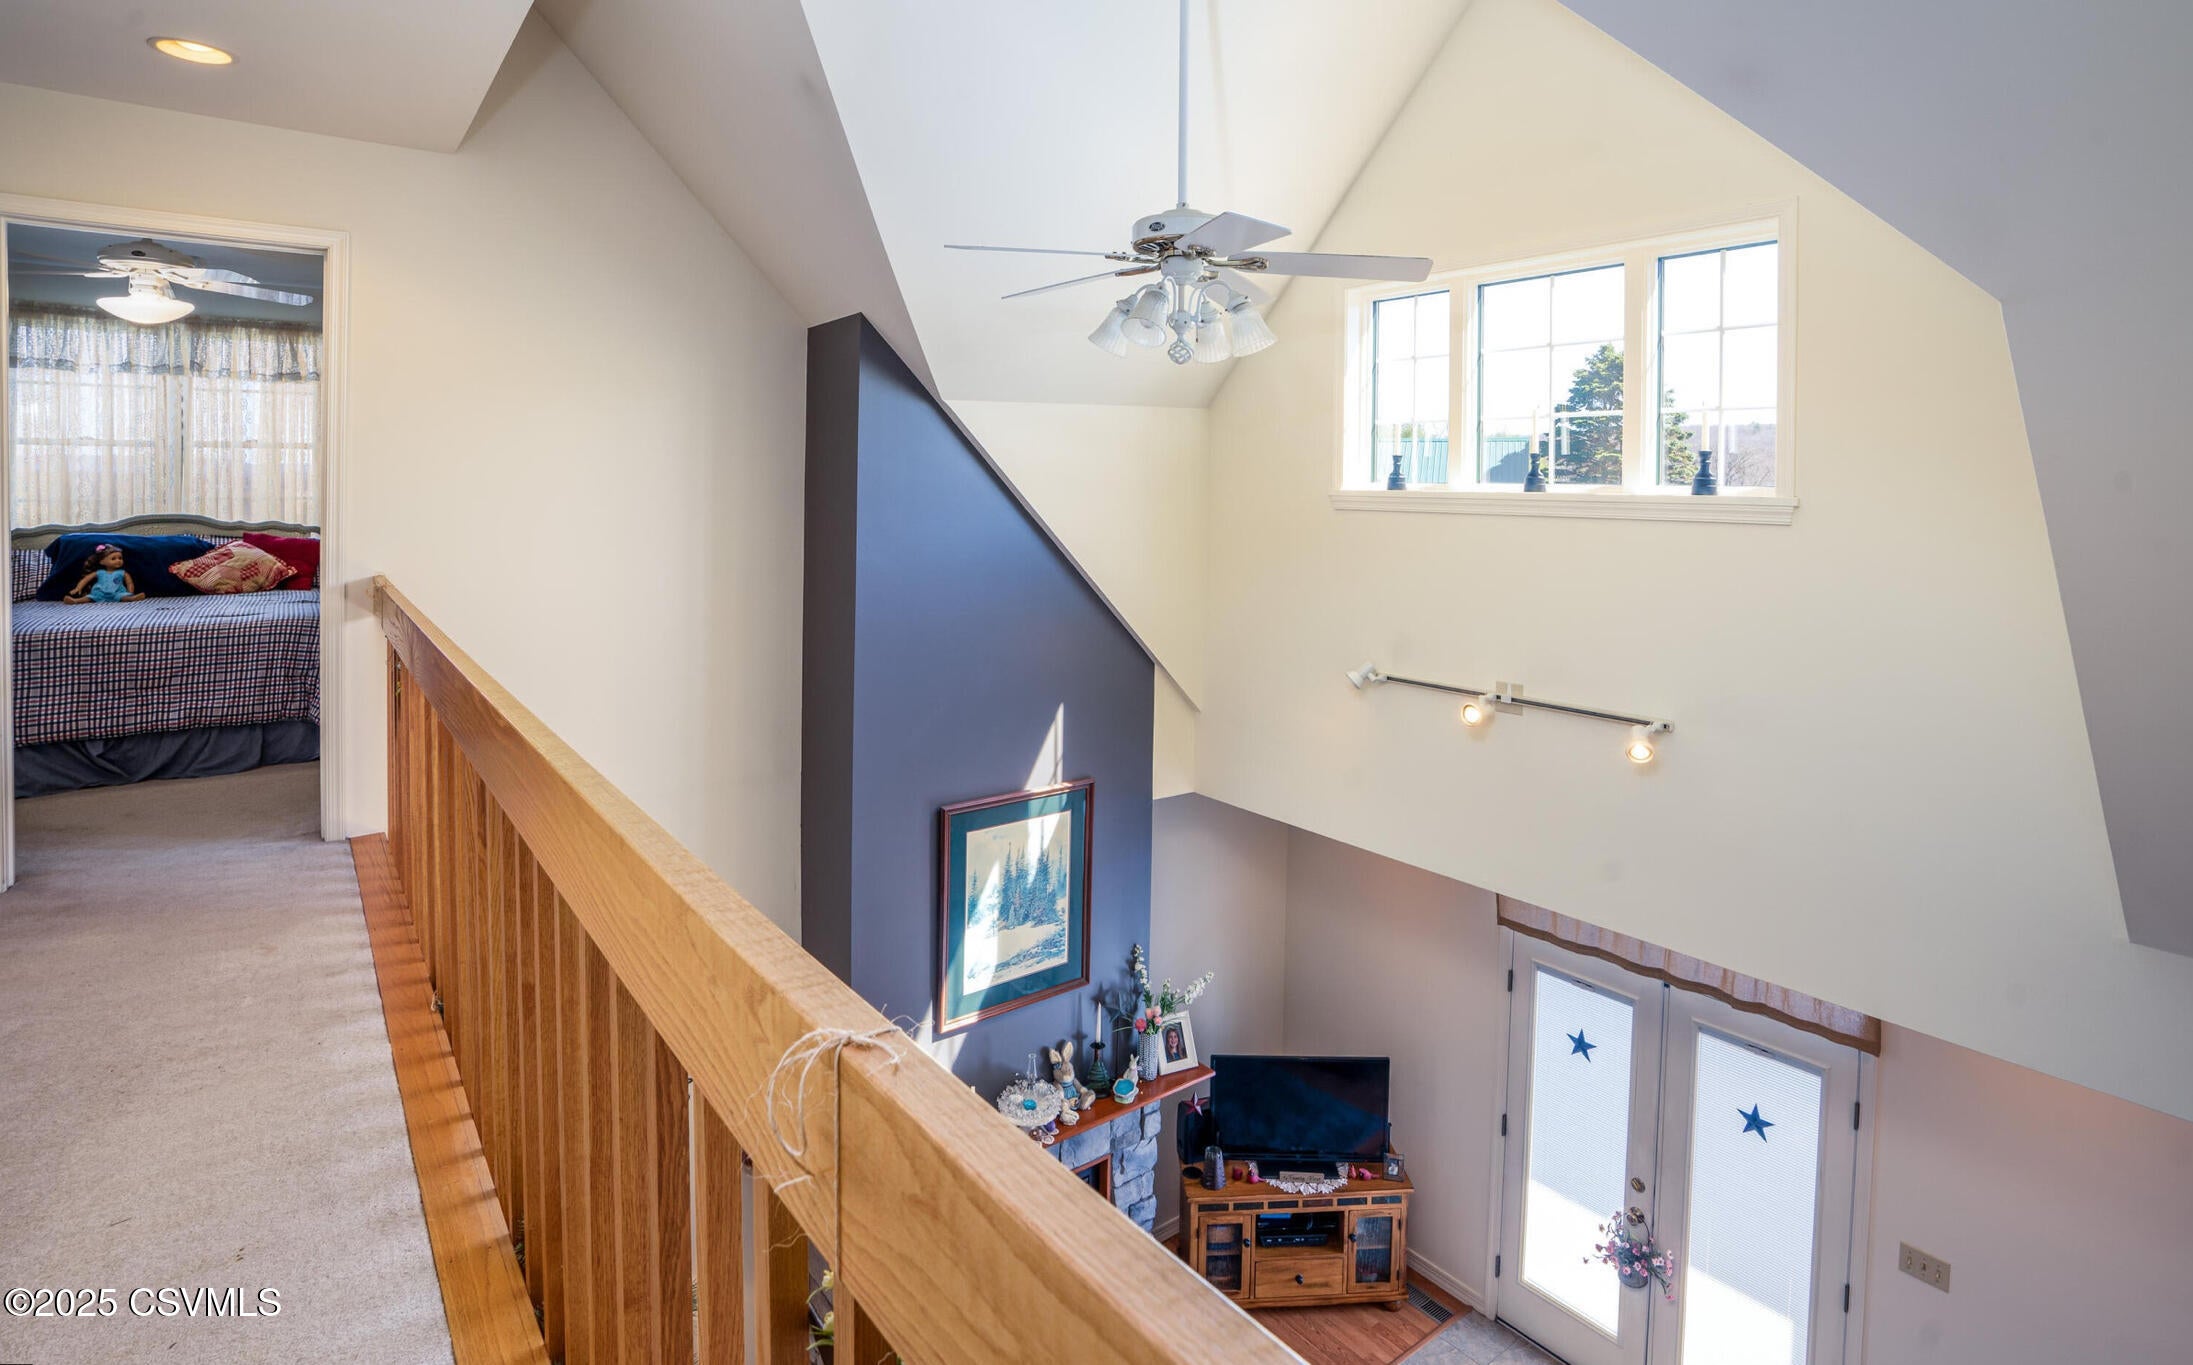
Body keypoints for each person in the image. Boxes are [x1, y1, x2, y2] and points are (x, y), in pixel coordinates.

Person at [64, 545, 145, 604]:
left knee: (123, 597)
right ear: (102, 562)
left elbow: (129, 583)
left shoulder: (122, 572)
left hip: (117, 593)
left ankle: (132, 598)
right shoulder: (100, 572)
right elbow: (86, 579)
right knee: (90, 597)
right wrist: (78, 588)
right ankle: (75, 601)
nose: (118, 560)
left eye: (120, 558)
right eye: (113, 558)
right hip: (100, 593)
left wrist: (130, 592)